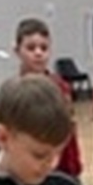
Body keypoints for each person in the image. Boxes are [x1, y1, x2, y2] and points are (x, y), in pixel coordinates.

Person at [14, 16, 81, 175]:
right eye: (31, 48)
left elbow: (69, 128)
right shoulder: (14, 91)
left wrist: (72, 164)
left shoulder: (60, 87)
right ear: (17, 51)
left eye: (44, 48)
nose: (38, 53)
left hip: (61, 165)